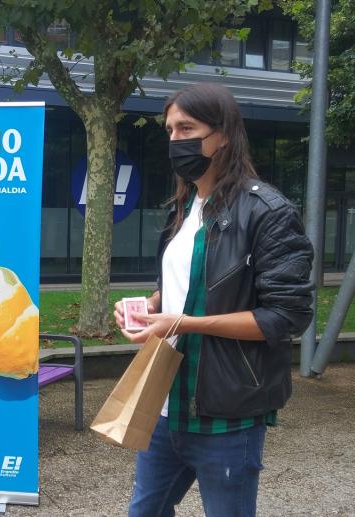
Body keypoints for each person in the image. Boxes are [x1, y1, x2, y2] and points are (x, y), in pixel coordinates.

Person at [114, 83, 314, 517]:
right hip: (166, 403)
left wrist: (185, 323)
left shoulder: (268, 212)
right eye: (169, 130)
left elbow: (287, 315)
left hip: (227, 412)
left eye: (186, 127)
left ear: (223, 134)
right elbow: (186, 287)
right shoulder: (183, 209)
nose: (175, 140)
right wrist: (151, 305)